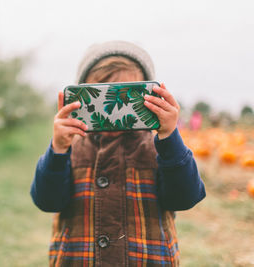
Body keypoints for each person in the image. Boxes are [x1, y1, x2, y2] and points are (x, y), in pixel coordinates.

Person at [30, 41, 206, 267]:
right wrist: (58, 150)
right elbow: (47, 201)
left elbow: (184, 197)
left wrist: (170, 136)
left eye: (129, 95)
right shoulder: (70, 149)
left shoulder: (159, 148)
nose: (116, 107)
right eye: (102, 94)